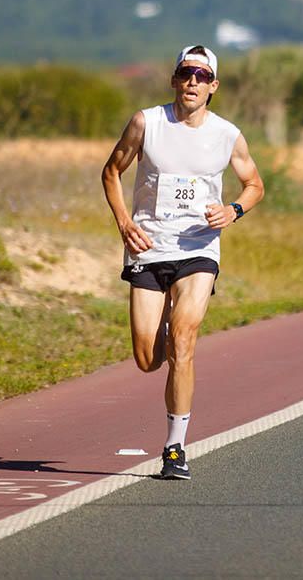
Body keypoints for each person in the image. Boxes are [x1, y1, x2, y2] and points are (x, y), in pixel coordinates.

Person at [101, 45, 264, 479]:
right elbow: (111, 171)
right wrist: (123, 223)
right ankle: (168, 334)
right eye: (185, 73)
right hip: (149, 249)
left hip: (198, 248)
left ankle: (175, 448)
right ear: (174, 80)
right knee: (148, 357)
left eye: (201, 76)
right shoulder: (146, 122)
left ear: (214, 86)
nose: (192, 82)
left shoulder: (227, 134)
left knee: (185, 339)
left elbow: (254, 184)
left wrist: (233, 210)